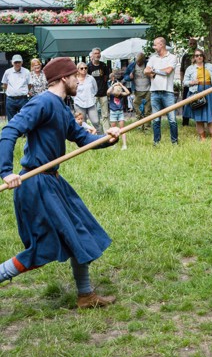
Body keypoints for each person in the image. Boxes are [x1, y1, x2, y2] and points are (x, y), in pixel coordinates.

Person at [0, 57, 120, 308]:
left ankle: (85, 296)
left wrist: (108, 138)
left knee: (80, 232)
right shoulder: (41, 103)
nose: (80, 79)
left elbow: (82, 138)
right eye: (75, 75)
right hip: (35, 184)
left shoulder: (62, 109)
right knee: (40, 251)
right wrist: (5, 171)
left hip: (53, 182)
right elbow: (9, 131)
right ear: (64, 78)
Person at [144, 37, 178, 145]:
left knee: (172, 119)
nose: (154, 47)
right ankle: (156, 142)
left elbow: (168, 71)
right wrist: (154, 72)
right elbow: (145, 71)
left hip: (168, 92)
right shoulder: (153, 58)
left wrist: (153, 71)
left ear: (161, 45)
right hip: (154, 91)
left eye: (155, 45)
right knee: (156, 119)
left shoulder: (172, 57)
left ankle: (174, 141)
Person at [183, 48, 212, 140]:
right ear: (194, 57)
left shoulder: (210, 66)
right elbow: (184, 82)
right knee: (198, 116)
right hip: (196, 92)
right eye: (197, 55)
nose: (199, 57)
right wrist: (192, 82)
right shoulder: (190, 68)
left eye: (201, 55)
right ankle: (202, 136)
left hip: (209, 92)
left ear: (203, 57)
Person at [2, 54, 32, 121]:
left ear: (22, 62)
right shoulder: (7, 72)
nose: (17, 64)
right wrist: (11, 91)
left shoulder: (26, 72)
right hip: (10, 100)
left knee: (25, 118)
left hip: (23, 99)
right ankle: (13, 132)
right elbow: (4, 84)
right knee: (11, 120)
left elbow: (29, 84)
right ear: (12, 63)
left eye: (19, 62)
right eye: (15, 62)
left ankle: (24, 131)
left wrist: (24, 91)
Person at [74, 62, 101, 133]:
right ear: (78, 70)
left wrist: (91, 96)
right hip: (79, 103)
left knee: (96, 122)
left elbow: (95, 89)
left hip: (90, 103)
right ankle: (84, 141)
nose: (84, 70)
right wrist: (75, 99)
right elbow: (72, 91)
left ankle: (102, 139)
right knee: (82, 123)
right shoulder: (74, 79)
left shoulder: (91, 78)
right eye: (82, 68)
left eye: (85, 68)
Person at [87, 47, 110, 133]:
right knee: (93, 115)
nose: (97, 55)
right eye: (95, 53)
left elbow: (106, 78)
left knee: (105, 115)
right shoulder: (88, 67)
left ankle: (107, 134)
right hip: (93, 95)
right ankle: (96, 132)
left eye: (98, 53)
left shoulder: (103, 66)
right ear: (92, 55)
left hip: (103, 93)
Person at [107, 81, 130, 150]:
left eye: (118, 94)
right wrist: (113, 85)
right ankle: (113, 144)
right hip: (113, 113)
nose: (117, 96)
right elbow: (108, 92)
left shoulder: (121, 94)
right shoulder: (111, 94)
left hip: (120, 112)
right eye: (115, 94)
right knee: (113, 130)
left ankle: (124, 145)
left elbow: (128, 92)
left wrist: (122, 85)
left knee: (122, 129)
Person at [180, 38, 198, 126]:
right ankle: (185, 121)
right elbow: (181, 70)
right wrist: (182, 81)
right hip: (187, 83)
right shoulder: (185, 56)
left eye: (193, 44)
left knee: (199, 101)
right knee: (185, 102)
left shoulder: (199, 56)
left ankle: (198, 121)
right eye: (190, 44)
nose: (192, 45)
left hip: (198, 83)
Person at [131, 53, 151, 129]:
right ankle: (139, 124)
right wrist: (129, 77)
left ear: (143, 60)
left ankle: (147, 127)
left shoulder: (148, 65)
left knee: (147, 109)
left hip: (148, 90)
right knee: (136, 106)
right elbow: (126, 76)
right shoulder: (132, 65)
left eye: (140, 62)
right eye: (137, 62)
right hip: (137, 90)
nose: (138, 64)